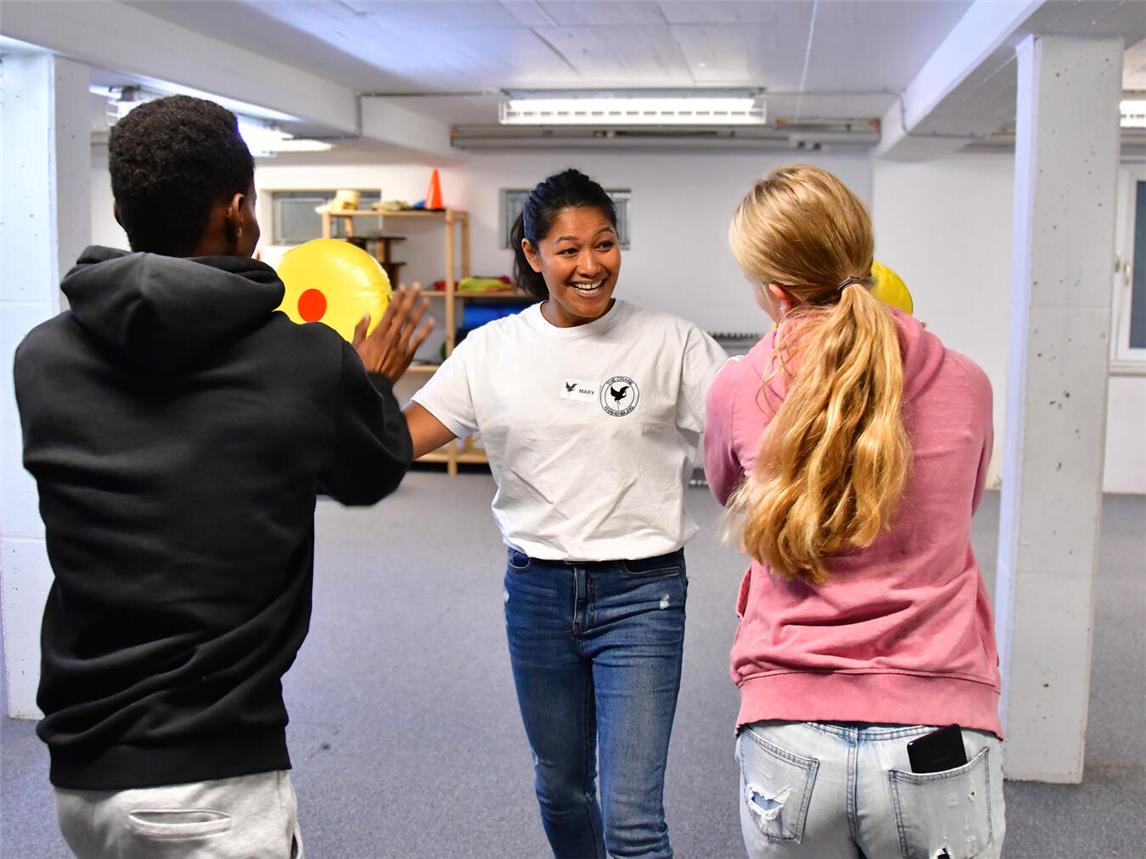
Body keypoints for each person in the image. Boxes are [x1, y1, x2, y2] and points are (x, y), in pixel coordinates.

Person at [14, 95, 431, 858]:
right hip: (212, 779)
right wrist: (369, 382)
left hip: (80, 776)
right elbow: (371, 470)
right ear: (237, 213)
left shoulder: (40, 357)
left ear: (121, 208)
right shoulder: (303, 361)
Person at [402, 168, 727, 858]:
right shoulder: (492, 350)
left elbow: (751, 436)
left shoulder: (671, 341)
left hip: (643, 594)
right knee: (562, 788)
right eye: (568, 248)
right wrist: (357, 387)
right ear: (532, 253)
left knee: (634, 818)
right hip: (539, 593)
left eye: (604, 244)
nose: (589, 265)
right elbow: (399, 440)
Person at [704, 165, 1005, 859]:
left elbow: (732, 493)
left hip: (790, 726)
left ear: (774, 290)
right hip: (936, 726)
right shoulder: (967, 381)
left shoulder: (737, 386)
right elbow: (956, 508)